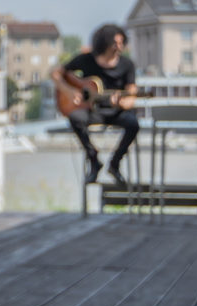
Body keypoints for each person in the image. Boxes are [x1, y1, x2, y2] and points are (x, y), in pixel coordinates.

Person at [54, 24, 141, 186]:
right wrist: (69, 91)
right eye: (115, 43)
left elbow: (131, 94)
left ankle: (115, 163)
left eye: (121, 43)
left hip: (115, 111)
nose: (119, 47)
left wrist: (122, 103)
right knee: (75, 118)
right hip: (92, 111)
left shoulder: (127, 65)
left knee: (133, 124)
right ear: (104, 43)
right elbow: (56, 73)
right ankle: (93, 159)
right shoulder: (86, 60)